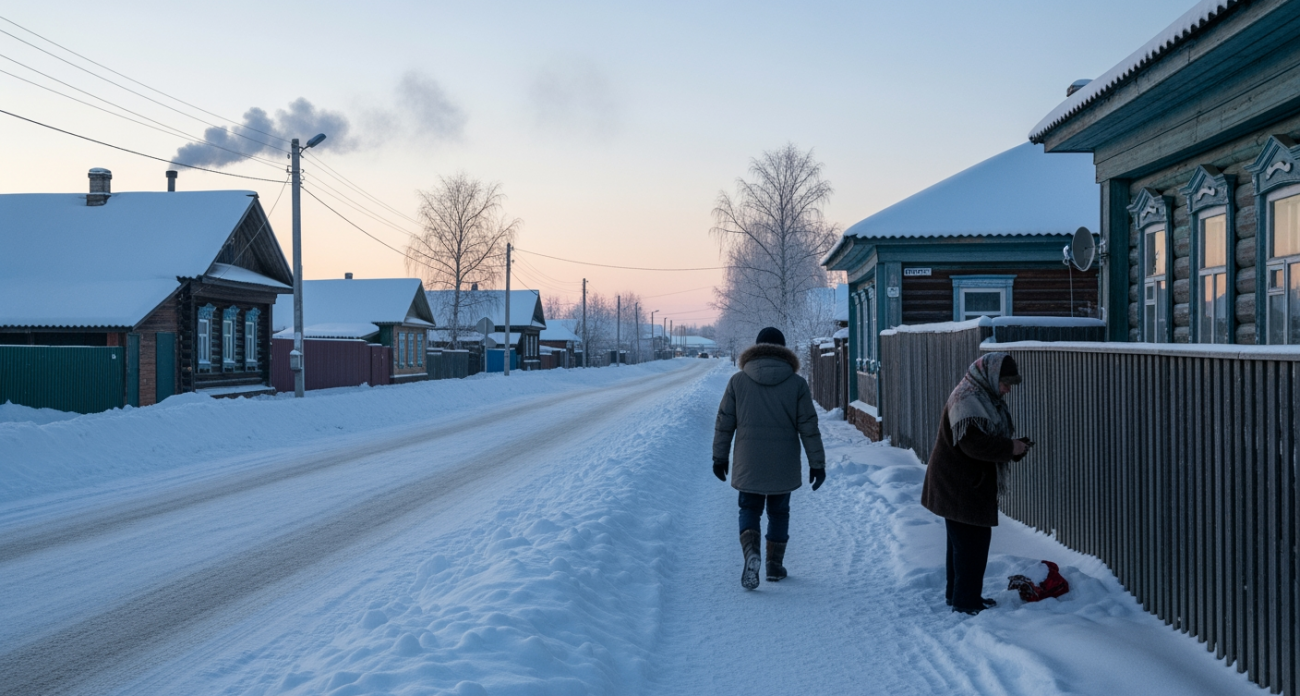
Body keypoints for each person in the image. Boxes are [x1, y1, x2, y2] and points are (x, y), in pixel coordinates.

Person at [713, 327, 826, 590]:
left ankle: (751, 553)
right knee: (779, 511)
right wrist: (817, 464)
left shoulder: (738, 381)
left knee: (749, 508)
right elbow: (809, 426)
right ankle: (774, 565)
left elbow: (724, 423)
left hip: (748, 461)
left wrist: (719, 457)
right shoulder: (797, 384)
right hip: (783, 462)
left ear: (755, 348)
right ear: (784, 351)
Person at [921, 351, 1032, 615]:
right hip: (959, 485)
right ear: (991, 377)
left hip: (963, 482)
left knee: (962, 545)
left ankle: (958, 596)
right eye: (1005, 383)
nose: (1007, 389)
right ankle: (965, 602)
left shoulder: (981, 395)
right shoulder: (968, 399)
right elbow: (973, 444)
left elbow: (986, 440)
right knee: (972, 544)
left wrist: (1014, 448)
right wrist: (1009, 448)